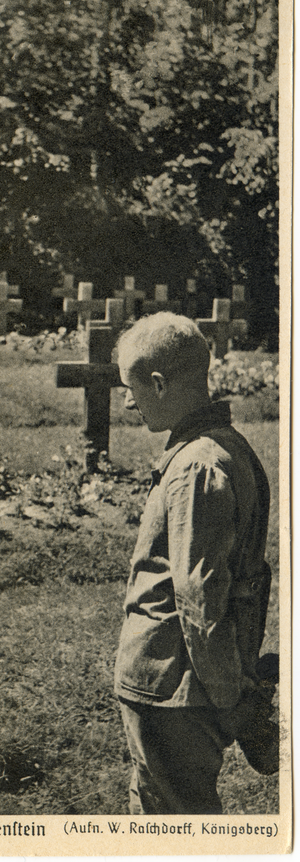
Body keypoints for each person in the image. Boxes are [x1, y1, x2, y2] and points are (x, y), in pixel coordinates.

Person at [113, 311, 276, 815]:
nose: (126, 400)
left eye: (131, 386)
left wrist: (231, 698)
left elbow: (199, 596)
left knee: (176, 825)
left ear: (159, 383)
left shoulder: (196, 467)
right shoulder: (224, 447)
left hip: (172, 690)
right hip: (188, 686)